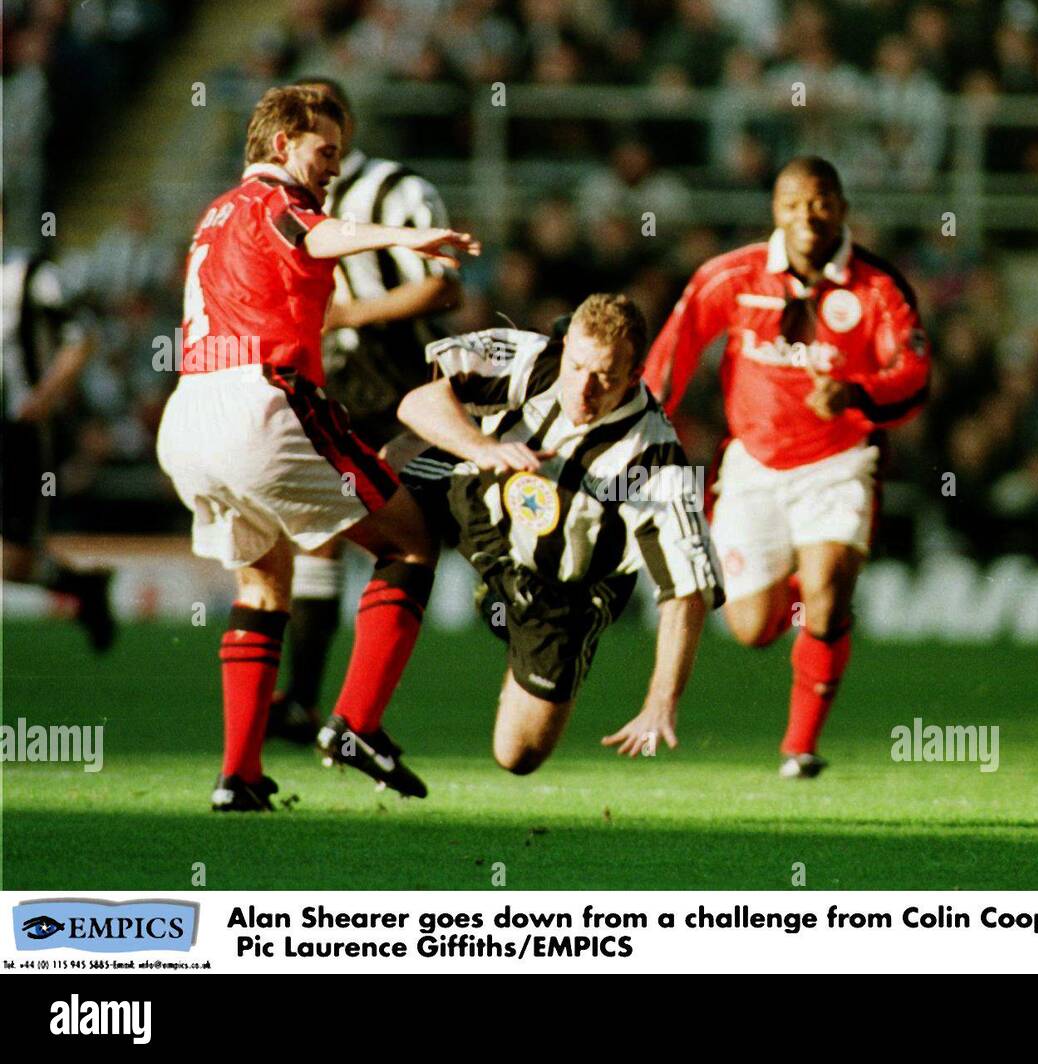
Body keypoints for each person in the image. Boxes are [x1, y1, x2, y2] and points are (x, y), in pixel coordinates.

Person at [155, 85, 479, 811]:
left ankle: (237, 777)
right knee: (412, 540)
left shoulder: (213, 213)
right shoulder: (277, 201)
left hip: (190, 416)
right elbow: (316, 234)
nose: (332, 166)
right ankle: (356, 724)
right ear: (282, 146)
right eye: (324, 151)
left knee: (264, 583)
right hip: (262, 403)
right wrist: (402, 237)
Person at [351, 293, 723, 777]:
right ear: (565, 345)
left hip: (560, 587)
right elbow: (419, 402)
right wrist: (482, 447)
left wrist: (659, 702)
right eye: (577, 366)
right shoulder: (532, 359)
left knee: (518, 755)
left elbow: (686, 594)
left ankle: (515, 623)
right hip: (480, 499)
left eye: (604, 378)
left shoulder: (653, 462)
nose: (583, 390)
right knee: (386, 466)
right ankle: (351, 718)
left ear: (634, 377)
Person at [643, 156, 930, 779]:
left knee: (827, 598)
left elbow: (913, 378)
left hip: (838, 464)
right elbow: (675, 350)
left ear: (843, 207)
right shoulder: (733, 276)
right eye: (794, 201)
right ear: (775, 210)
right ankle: (803, 585)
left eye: (822, 200)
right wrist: (640, 427)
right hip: (753, 468)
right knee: (750, 628)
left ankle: (799, 747)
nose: (808, 213)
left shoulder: (877, 288)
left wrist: (854, 394)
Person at [265, 77, 463, 744]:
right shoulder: (280, 200)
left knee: (431, 527)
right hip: (337, 380)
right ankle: (308, 702)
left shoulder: (396, 189)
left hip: (405, 381)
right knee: (317, 535)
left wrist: (352, 311)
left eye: (325, 127)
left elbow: (443, 290)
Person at [2, 230, 113, 649]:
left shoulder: (32, 275)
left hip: (19, 431)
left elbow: (82, 336)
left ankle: (82, 586)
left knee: (13, 562)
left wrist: (44, 397)